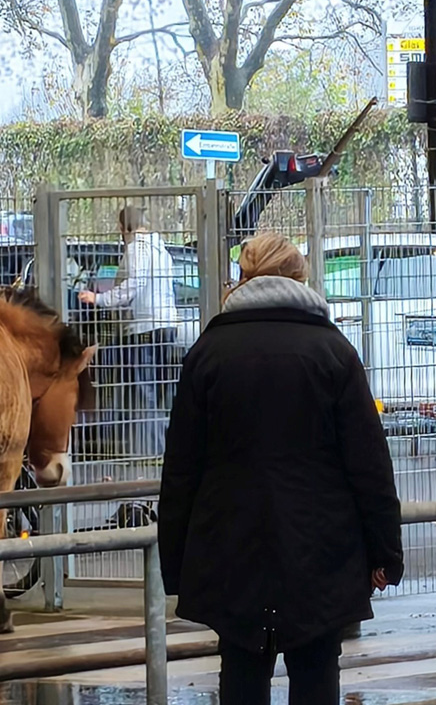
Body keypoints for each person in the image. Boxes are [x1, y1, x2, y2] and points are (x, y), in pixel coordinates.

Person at [158, 233, 403, 705]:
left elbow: (183, 468)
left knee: (241, 669)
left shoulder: (209, 351)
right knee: (316, 669)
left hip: (230, 543)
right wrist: (384, 553)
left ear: (243, 279)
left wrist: (178, 562)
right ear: (300, 277)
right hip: (321, 546)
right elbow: (369, 464)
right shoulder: (332, 350)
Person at [78, 206, 177, 456]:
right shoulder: (161, 249)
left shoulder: (136, 248)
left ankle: (156, 452)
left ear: (123, 228)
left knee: (145, 392)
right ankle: (163, 448)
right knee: (160, 390)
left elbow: (133, 285)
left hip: (144, 327)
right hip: (167, 324)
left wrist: (98, 298)